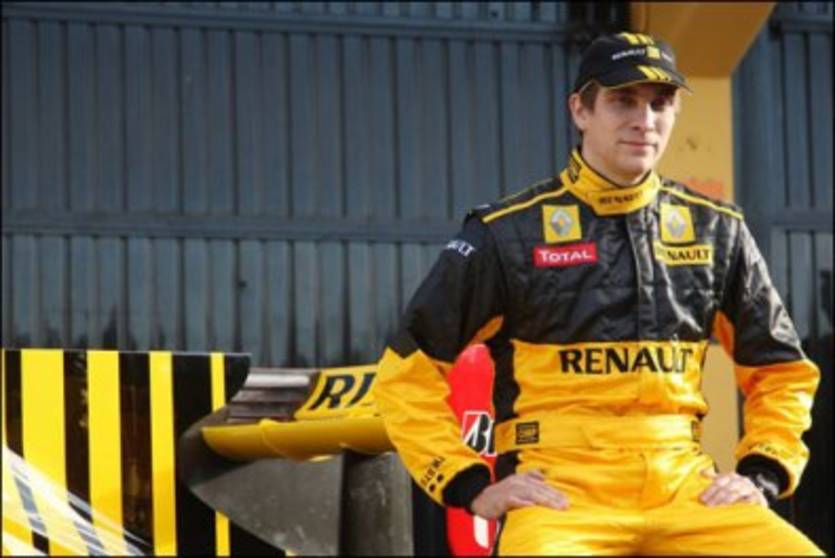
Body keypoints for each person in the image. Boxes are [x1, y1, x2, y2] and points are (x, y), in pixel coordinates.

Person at [373, 31, 822, 555]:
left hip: (687, 490)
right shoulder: (506, 233)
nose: (644, 120)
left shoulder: (717, 230)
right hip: (558, 496)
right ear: (580, 111)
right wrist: (469, 484)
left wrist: (762, 472)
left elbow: (783, 371)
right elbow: (406, 376)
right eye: (623, 101)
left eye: (660, 103)